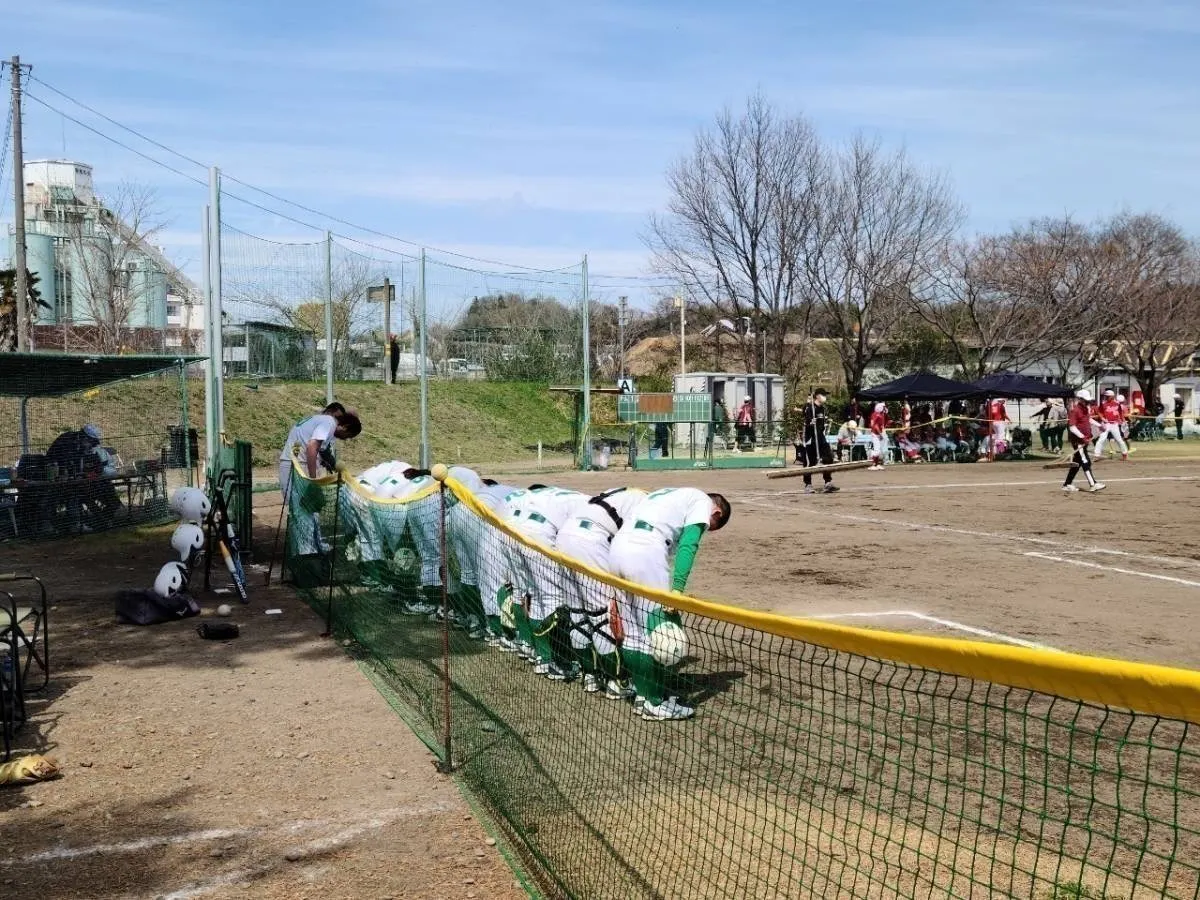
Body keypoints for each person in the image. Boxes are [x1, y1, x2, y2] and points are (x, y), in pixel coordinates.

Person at [609, 488, 731, 721]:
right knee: (660, 631)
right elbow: (689, 544)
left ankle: (644, 696)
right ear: (717, 512)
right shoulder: (702, 502)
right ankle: (655, 702)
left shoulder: (670, 495)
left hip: (618, 549)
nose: (705, 528)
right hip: (645, 552)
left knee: (634, 634)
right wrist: (677, 590)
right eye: (710, 526)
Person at [554, 486, 648, 697]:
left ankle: (589, 675)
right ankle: (616, 682)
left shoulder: (624, 493)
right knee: (601, 616)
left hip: (564, 537)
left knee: (577, 614)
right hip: (590, 542)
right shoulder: (647, 505)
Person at [279, 403, 362, 555]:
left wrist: (326, 463)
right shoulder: (329, 422)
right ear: (345, 427)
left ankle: (316, 544)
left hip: (296, 464)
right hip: (297, 467)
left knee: (311, 508)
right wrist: (313, 481)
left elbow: (307, 445)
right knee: (302, 510)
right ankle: (306, 551)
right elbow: (312, 447)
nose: (345, 439)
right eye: (348, 436)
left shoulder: (316, 420)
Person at [46, 423, 120, 527]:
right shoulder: (66, 441)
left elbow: (89, 465)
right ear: (85, 437)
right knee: (78, 496)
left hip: (82, 481)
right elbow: (57, 460)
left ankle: (101, 521)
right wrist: (65, 473)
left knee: (111, 498)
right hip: (60, 477)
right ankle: (77, 524)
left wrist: (91, 472)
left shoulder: (84, 447)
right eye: (90, 442)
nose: (91, 446)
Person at [1062, 389, 1105, 494]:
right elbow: (1072, 427)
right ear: (1080, 399)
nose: (1088, 402)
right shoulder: (1075, 410)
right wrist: (1082, 437)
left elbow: (1088, 419)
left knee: (1078, 462)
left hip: (1085, 440)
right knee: (1085, 461)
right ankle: (1093, 484)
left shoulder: (1085, 409)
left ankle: (1067, 484)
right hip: (1078, 441)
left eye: (1088, 401)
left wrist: (1099, 425)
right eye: (1086, 401)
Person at [797, 390, 839, 494]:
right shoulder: (809, 408)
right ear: (817, 396)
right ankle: (808, 485)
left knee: (828, 458)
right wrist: (810, 423)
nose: (825, 397)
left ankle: (828, 483)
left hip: (820, 436)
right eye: (823, 395)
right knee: (809, 462)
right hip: (810, 437)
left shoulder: (823, 409)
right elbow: (805, 421)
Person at [1094, 390, 1129, 461]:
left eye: (1108, 396)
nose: (1106, 397)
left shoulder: (1117, 404)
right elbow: (1099, 412)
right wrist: (1102, 418)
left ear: (1112, 396)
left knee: (1119, 439)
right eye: (1106, 396)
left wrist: (1123, 421)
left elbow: (1120, 413)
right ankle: (1096, 455)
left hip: (1114, 424)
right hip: (1106, 424)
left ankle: (1124, 453)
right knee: (1101, 440)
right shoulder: (1103, 403)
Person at [867, 402, 889, 470]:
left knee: (878, 450)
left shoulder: (878, 414)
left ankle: (877, 464)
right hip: (875, 434)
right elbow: (875, 426)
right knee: (877, 450)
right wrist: (880, 434)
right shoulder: (877, 415)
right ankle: (874, 464)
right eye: (883, 407)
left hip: (877, 434)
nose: (884, 409)